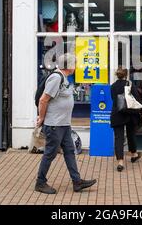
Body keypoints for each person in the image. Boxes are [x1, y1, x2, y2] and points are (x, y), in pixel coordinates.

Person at [35, 53, 97, 194]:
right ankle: (40, 182)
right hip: (54, 124)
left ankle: (77, 182)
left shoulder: (64, 78)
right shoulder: (56, 78)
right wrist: (41, 118)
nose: (75, 67)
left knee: (69, 151)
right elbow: (43, 100)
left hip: (63, 124)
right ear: (68, 66)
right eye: (74, 64)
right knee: (50, 153)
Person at [110, 67, 142, 172]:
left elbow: (114, 99)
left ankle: (120, 162)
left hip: (117, 113)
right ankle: (134, 154)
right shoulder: (129, 85)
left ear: (117, 75)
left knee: (119, 138)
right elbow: (137, 99)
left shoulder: (112, 86)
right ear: (126, 75)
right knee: (131, 134)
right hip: (130, 114)